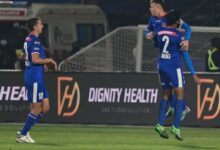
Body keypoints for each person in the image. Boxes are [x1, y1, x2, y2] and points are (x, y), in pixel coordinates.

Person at [146, 0, 200, 121]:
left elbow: (188, 28)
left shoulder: (171, 17)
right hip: (163, 55)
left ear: (158, 7)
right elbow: (148, 30)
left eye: (151, 7)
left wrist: (186, 40)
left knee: (173, 85)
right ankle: (176, 106)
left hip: (174, 49)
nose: (150, 9)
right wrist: (148, 35)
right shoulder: (152, 19)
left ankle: (181, 107)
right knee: (165, 85)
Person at [154, 10, 196, 141]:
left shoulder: (159, 31)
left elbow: (155, 43)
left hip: (161, 66)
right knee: (179, 96)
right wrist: (193, 72)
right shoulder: (178, 35)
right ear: (177, 21)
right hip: (173, 67)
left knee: (165, 95)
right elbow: (184, 51)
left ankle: (160, 124)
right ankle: (175, 126)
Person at [16, 17, 57, 143]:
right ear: (35, 27)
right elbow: (34, 59)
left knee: (46, 107)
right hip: (34, 78)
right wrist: (48, 60)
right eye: (40, 24)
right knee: (37, 108)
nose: (42, 26)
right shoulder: (35, 42)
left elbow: (22, 56)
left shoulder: (28, 39)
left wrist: (41, 63)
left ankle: (25, 129)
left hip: (35, 76)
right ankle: (23, 134)